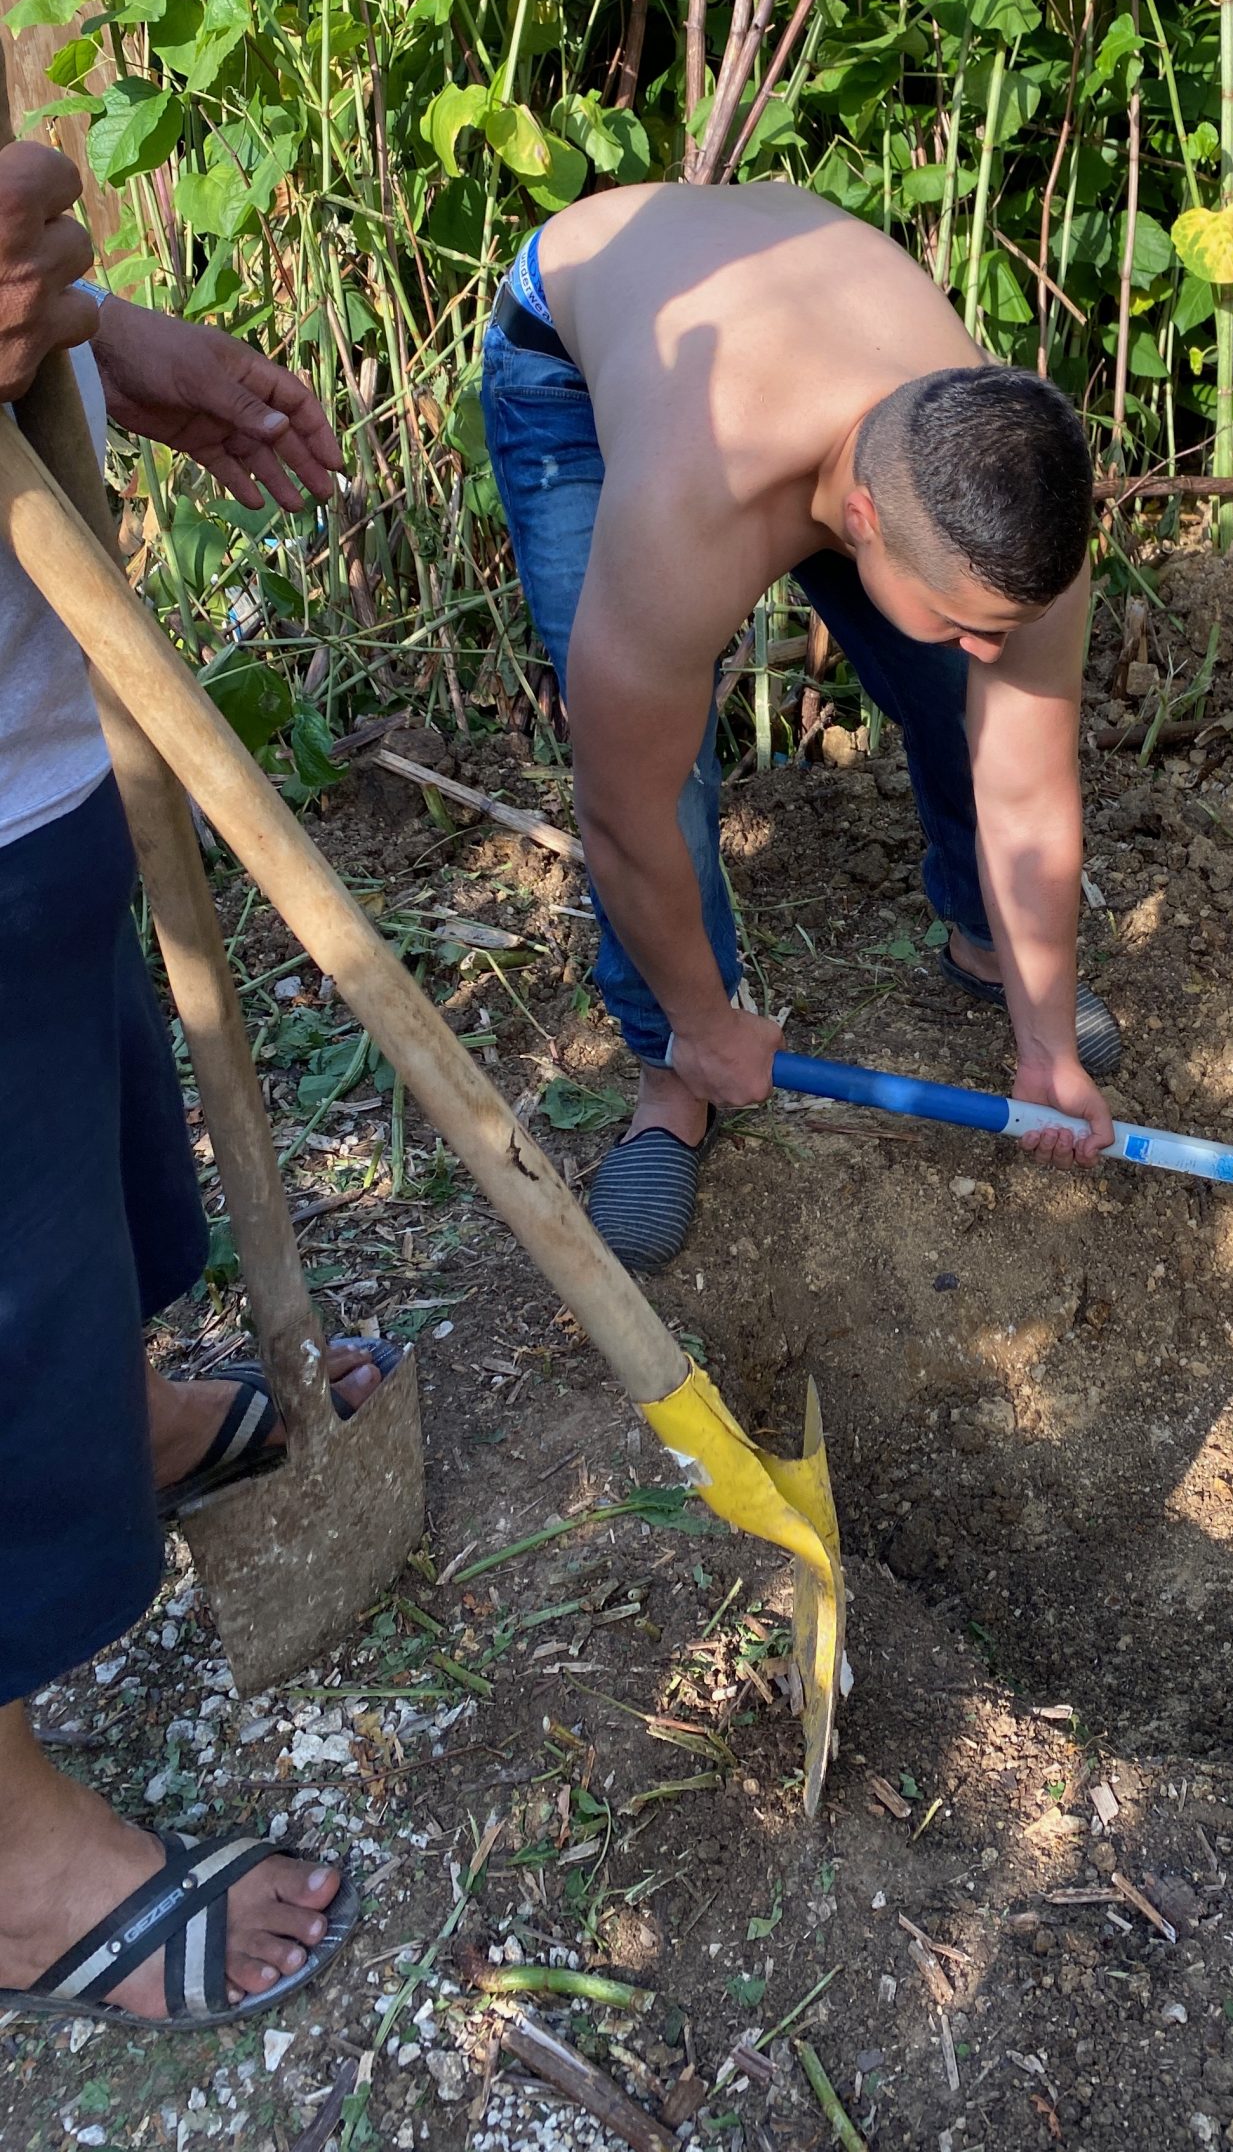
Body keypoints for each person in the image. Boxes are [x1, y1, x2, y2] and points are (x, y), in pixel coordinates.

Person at [0, 137, 393, 2026]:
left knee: (79, 1145)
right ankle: (8, 1867)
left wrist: (79, 335)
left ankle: (124, 1416)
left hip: (27, 736)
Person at [482, 181, 1123, 1274]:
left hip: (806, 320)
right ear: (861, 522)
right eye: (969, 619)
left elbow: (1029, 788)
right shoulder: (687, 514)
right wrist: (706, 1020)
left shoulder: (1018, 512)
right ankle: (671, 1076)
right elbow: (625, 815)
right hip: (579, 342)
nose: (991, 647)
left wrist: (1049, 1043)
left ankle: (989, 946)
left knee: (952, 690)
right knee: (666, 774)